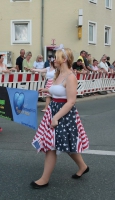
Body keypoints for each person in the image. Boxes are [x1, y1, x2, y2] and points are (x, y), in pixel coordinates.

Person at [31, 46, 89, 189]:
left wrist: (56, 117)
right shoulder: (57, 74)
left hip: (63, 114)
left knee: (53, 146)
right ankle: (83, 166)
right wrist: (47, 90)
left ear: (64, 59)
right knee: (62, 144)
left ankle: (44, 179)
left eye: (56, 57)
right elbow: (58, 92)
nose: (53, 60)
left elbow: (71, 101)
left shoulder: (70, 77)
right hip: (54, 111)